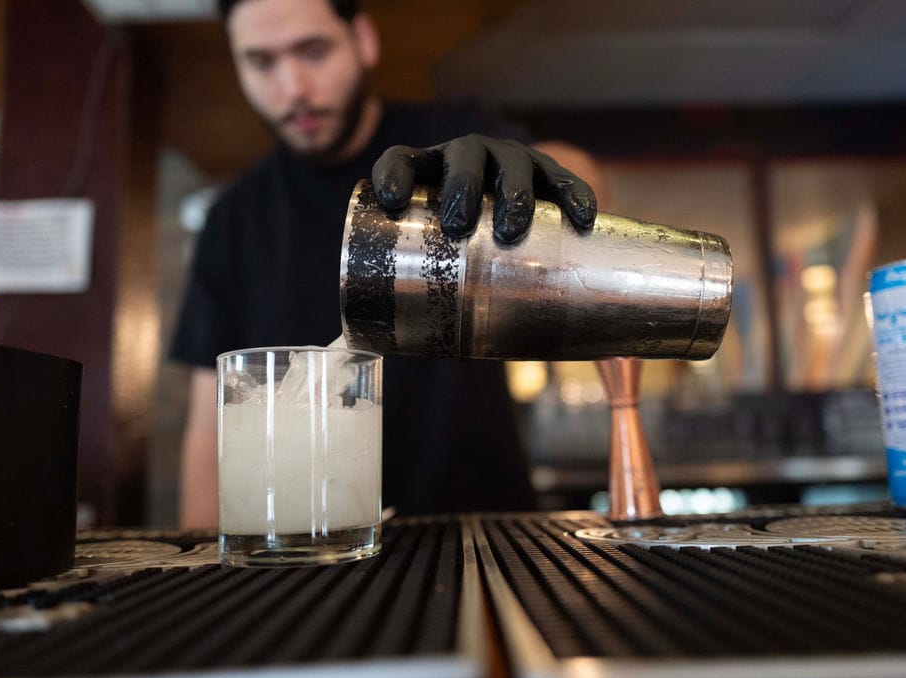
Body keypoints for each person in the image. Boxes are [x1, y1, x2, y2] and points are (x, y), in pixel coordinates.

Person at [171, 0, 604, 527]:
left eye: (314, 51)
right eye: (262, 62)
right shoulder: (233, 219)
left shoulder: (450, 137)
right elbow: (209, 420)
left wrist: (537, 178)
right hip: (309, 549)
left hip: (484, 532)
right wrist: (201, 570)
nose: (293, 89)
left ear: (363, 41)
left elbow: (580, 176)